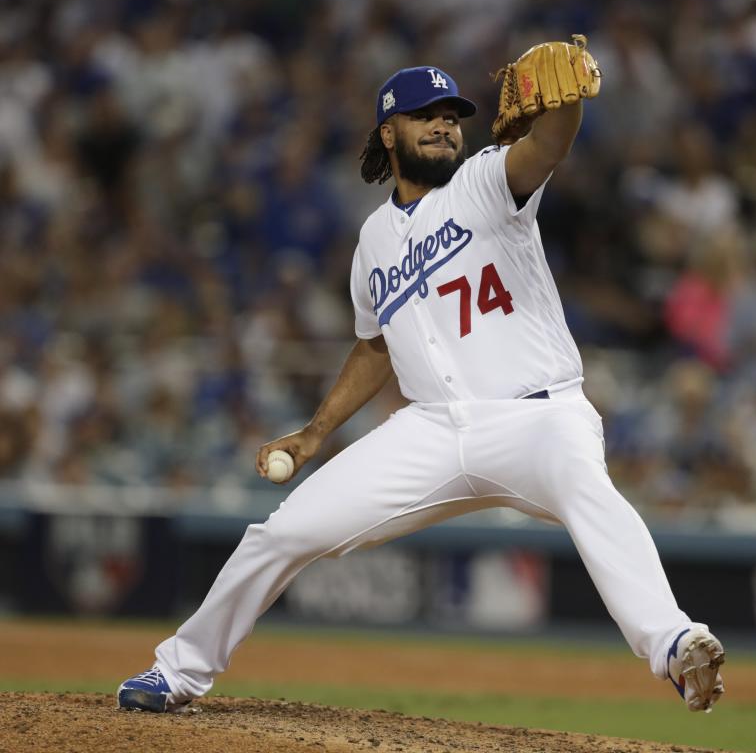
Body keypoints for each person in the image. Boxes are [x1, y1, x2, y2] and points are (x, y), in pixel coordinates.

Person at [117, 45, 725, 716]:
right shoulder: (372, 240)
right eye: (423, 116)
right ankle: (177, 671)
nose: (443, 125)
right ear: (389, 132)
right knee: (282, 533)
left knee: (591, 494)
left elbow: (547, 144)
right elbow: (374, 347)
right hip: (431, 430)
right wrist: (318, 433)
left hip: (537, 417)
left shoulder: (487, 181)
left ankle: (674, 643)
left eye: (451, 116)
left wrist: (566, 106)